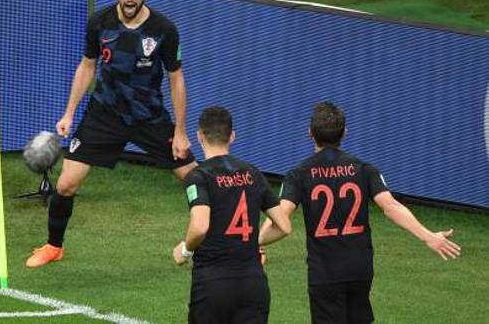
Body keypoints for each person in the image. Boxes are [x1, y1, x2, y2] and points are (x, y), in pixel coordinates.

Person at [26, 0, 197, 268]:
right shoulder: (99, 23)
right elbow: (87, 66)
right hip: (104, 114)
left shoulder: (164, 30)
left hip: (149, 117)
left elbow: (176, 78)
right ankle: (54, 246)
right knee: (65, 185)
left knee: (195, 179)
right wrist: (69, 113)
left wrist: (181, 131)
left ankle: (230, 244)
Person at [259, 102, 461, 324]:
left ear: (310, 134)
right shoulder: (364, 169)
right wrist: (428, 236)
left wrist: (252, 242)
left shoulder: (298, 174)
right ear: (344, 133)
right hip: (360, 269)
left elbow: (281, 216)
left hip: (324, 272)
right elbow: (390, 206)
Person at [173, 106, 291, 324]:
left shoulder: (199, 176)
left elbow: (200, 227)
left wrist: (185, 251)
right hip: (254, 285)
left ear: (199, 136)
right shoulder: (253, 173)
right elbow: (284, 225)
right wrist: (250, 243)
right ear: (232, 136)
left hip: (213, 285)